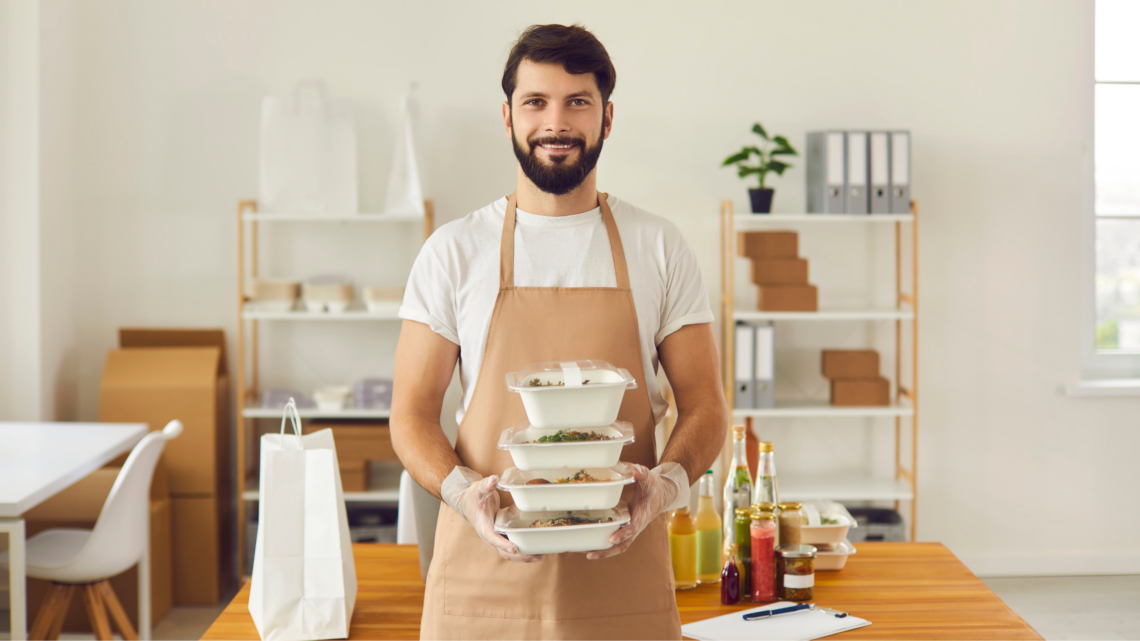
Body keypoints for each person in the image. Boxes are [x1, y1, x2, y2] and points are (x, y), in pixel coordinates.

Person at [391, 23, 728, 640]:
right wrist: (466, 494)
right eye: (536, 102)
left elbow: (706, 404)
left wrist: (668, 486)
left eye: (578, 101)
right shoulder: (453, 251)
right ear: (508, 115)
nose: (557, 122)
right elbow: (410, 414)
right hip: (482, 581)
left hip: (622, 577)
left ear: (607, 117)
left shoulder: (658, 246)